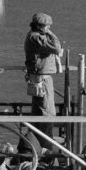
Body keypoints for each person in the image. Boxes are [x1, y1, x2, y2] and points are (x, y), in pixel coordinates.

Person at [23, 12, 63, 151]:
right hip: (42, 78)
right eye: (47, 26)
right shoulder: (36, 37)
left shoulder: (34, 36)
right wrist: (50, 33)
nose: (49, 28)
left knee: (38, 111)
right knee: (47, 112)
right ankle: (46, 144)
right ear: (41, 26)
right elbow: (57, 47)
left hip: (39, 77)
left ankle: (38, 141)